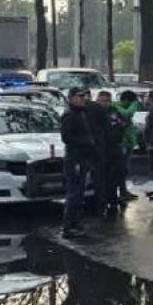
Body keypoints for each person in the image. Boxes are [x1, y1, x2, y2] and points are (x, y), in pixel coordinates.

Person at [60, 88, 96, 238]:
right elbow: (67, 137)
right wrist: (85, 143)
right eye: (80, 96)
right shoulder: (70, 115)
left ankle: (75, 222)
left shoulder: (80, 112)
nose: (83, 99)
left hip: (82, 157)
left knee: (79, 191)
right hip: (75, 157)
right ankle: (68, 225)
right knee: (74, 192)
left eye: (84, 96)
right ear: (72, 98)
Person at [112, 90, 141, 204]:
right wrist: (134, 104)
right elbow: (127, 113)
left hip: (128, 142)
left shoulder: (121, 107)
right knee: (121, 169)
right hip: (122, 143)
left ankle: (123, 191)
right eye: (132, 102)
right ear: (127, 101)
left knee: (124, 170)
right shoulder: (118, 107)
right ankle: (121, 193)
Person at [88, 90, 113, 214]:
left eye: (106, 101)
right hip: (99, 148)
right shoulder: (98, 111)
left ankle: (100, 203)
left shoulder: (83, 110)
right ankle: (101, 204)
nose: (103, 104)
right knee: (100, 178)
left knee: (99, 177)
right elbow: (109, 130)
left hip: (95, 149)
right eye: (101, 101)